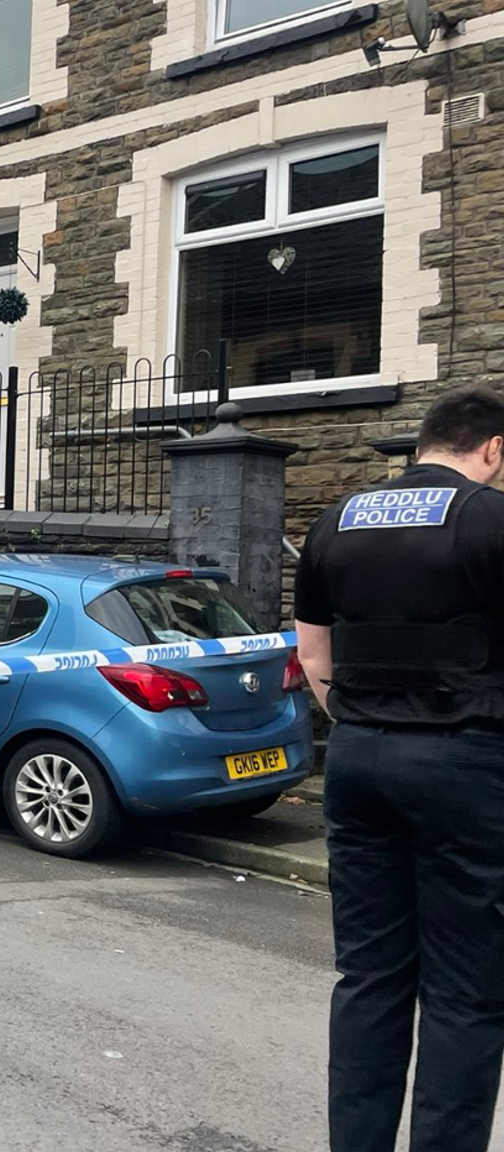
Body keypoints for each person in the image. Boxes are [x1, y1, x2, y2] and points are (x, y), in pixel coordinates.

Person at [294, 384, 504, 1152]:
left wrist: (357, 720)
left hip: (357, 761)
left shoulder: (334, 521)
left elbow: (314, 654)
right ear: (493, 449)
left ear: (423, 445)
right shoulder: (493, 520)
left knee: (371, 977)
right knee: (466, 992)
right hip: (468, 765)